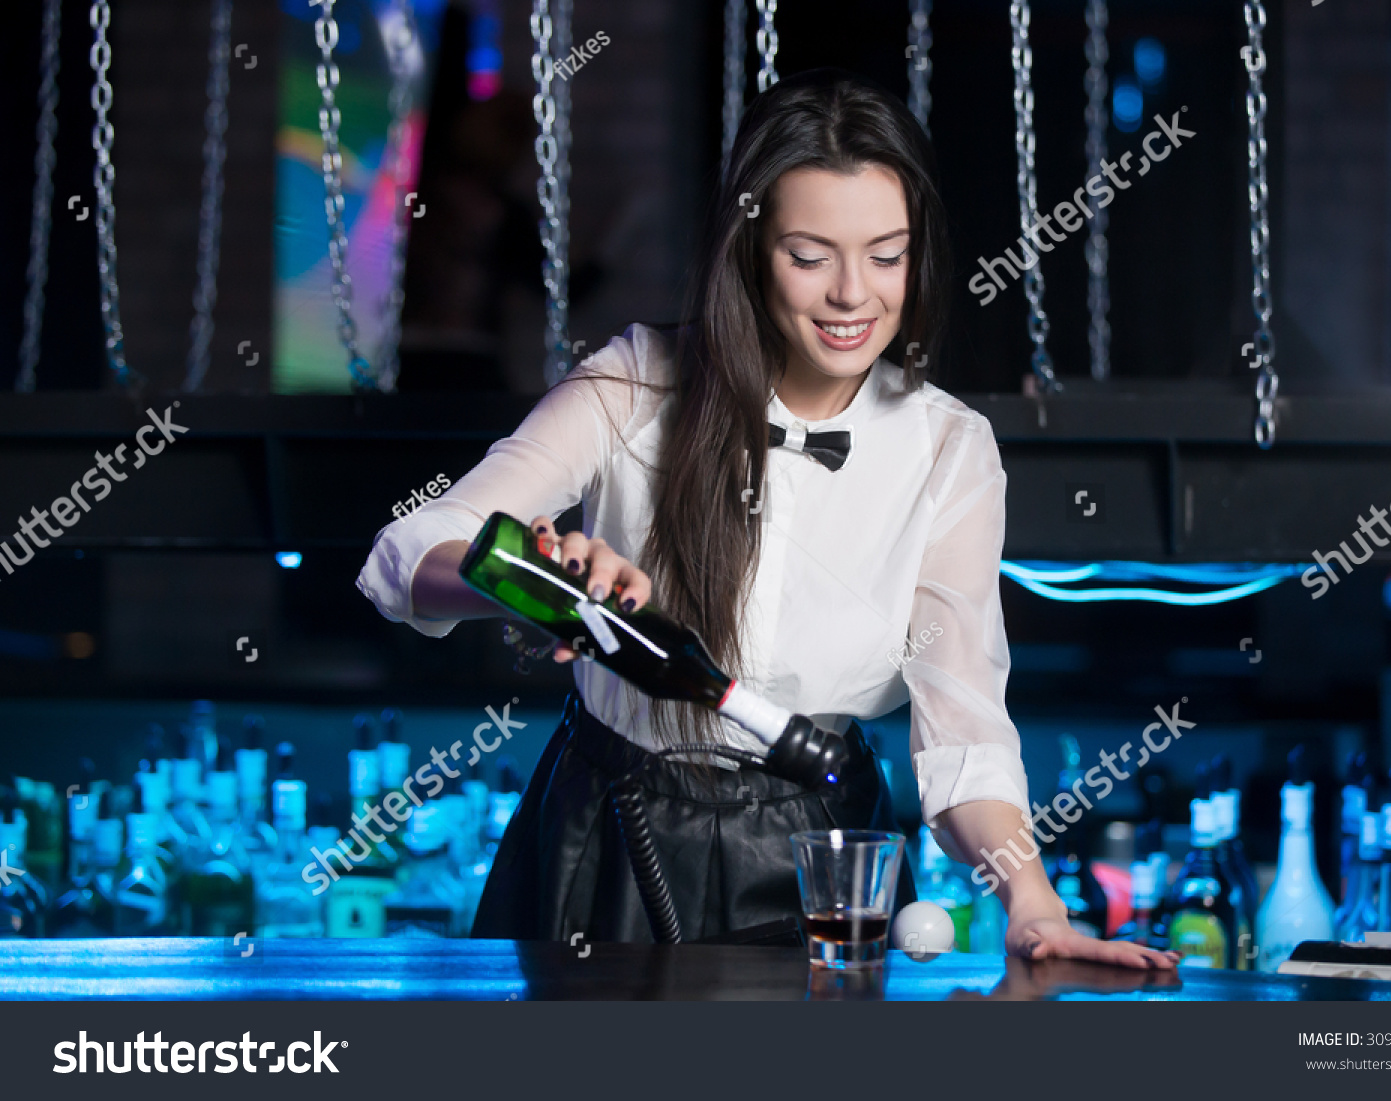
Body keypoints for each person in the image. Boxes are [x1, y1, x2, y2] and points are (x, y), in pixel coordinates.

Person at [358, 69, 1176, 969]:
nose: (853, 294)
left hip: (827, 852)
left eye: (887, 254)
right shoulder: (634, 382)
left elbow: (965, 730)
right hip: (607, 834)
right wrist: (535, 591)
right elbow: (408, 554)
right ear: (751, 250)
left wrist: (1031, 899)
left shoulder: (950, 448)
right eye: (810, 254)